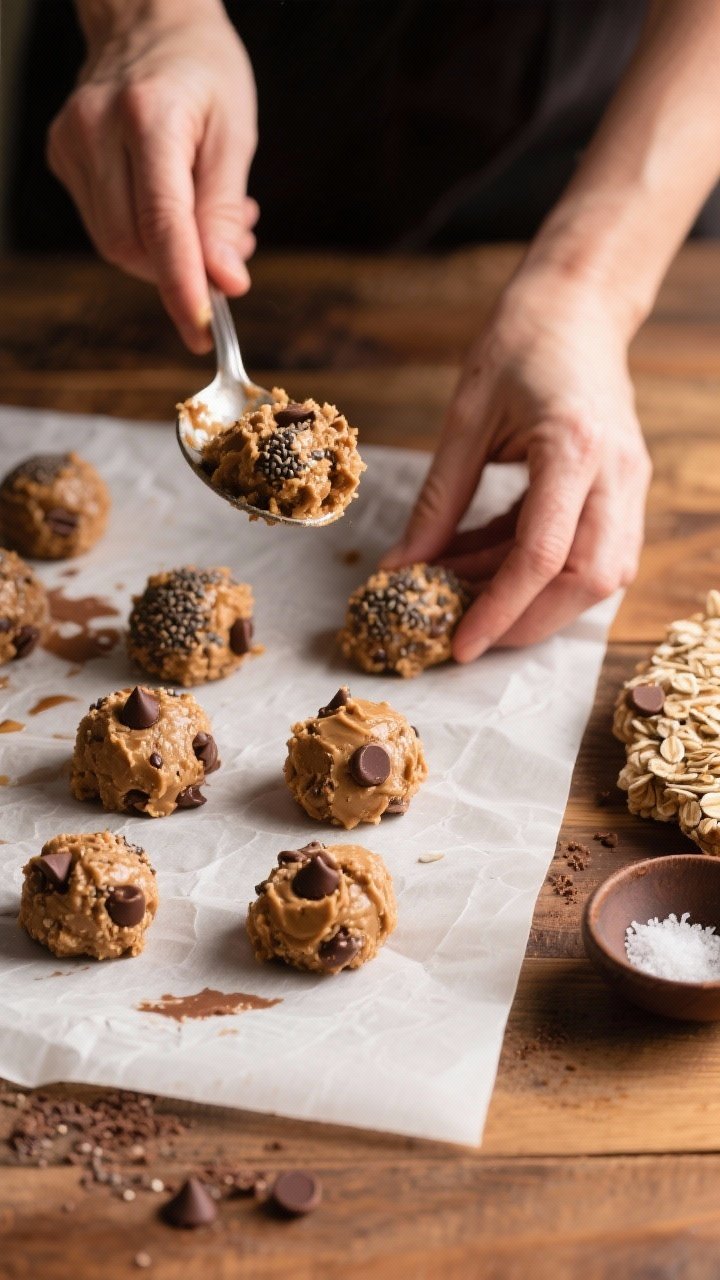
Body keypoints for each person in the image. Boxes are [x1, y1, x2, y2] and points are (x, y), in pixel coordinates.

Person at [45, 0, 720, 660]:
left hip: (585, 112)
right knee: (146, 207)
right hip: (189, 88)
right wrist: (148, 20)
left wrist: (587, 285)